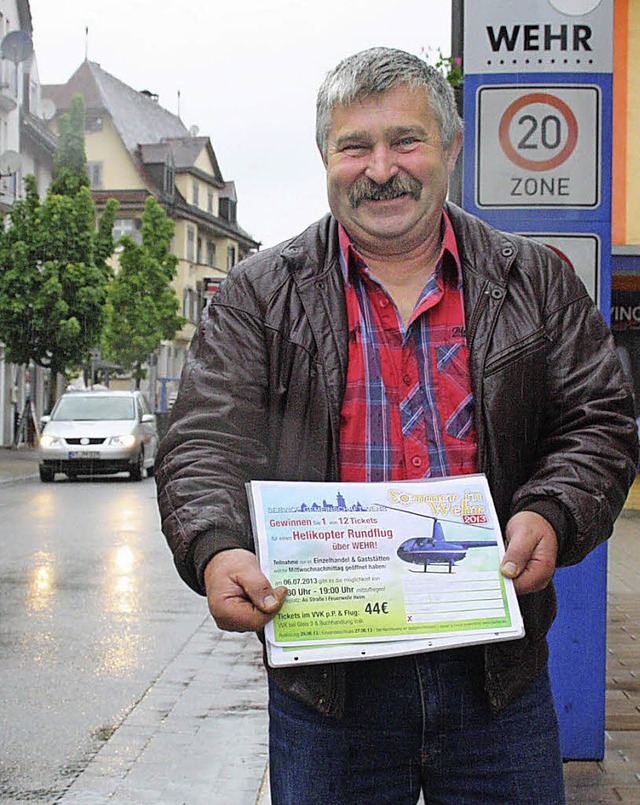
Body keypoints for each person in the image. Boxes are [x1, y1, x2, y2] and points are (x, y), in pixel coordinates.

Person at [156, 47, 639, 805]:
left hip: (497, 678)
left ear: (450, 148)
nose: (381, 167)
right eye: (356, 146)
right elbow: (202, 440)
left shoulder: (534, 277)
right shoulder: (258, 293)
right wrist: (216, 549)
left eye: (405, 140)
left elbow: (600, 420)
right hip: (328, 689)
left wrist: (553, 508)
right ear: (326, 157)